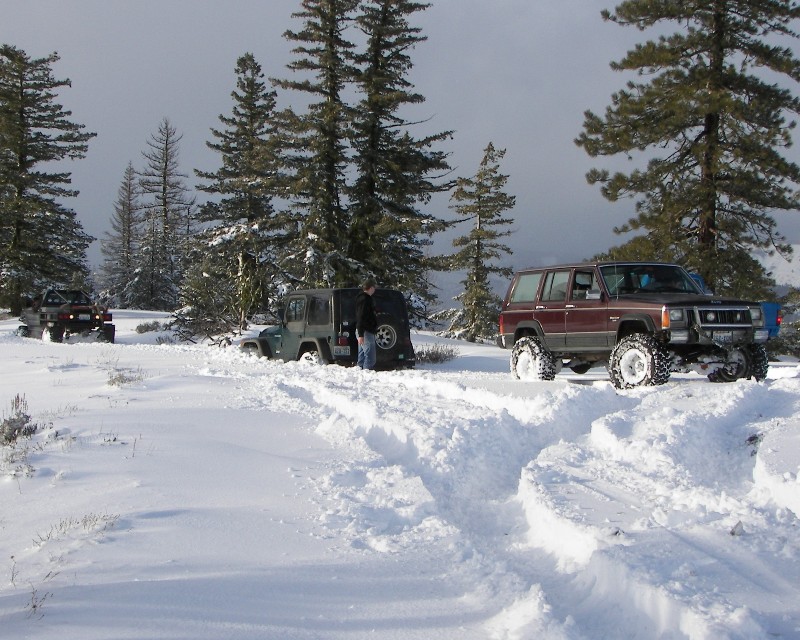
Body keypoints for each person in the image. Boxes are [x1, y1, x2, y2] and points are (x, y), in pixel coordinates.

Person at [356, 277, 378, 370]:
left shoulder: (362, 298)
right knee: (370, 358)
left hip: (363, 331)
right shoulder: (365, 299)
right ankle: (366, 375)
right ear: (371, 288)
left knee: (362, 357)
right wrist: (361, 334)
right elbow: (361, 316)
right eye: (374, 287)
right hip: (365, 331)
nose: (375, 289)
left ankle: (359, 373)